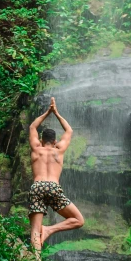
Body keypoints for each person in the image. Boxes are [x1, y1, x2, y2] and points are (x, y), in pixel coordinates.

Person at [28, 96, 84, 251]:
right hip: (53, 187)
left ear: (41, 139)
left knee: (34, 230)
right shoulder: (59, 150)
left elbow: (32, 127)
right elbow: (69, 130)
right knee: (78, 220)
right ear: (54, 141)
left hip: (37, 186)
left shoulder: (36, 149)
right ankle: (50, 229)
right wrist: (56, 113)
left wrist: (47, 112)